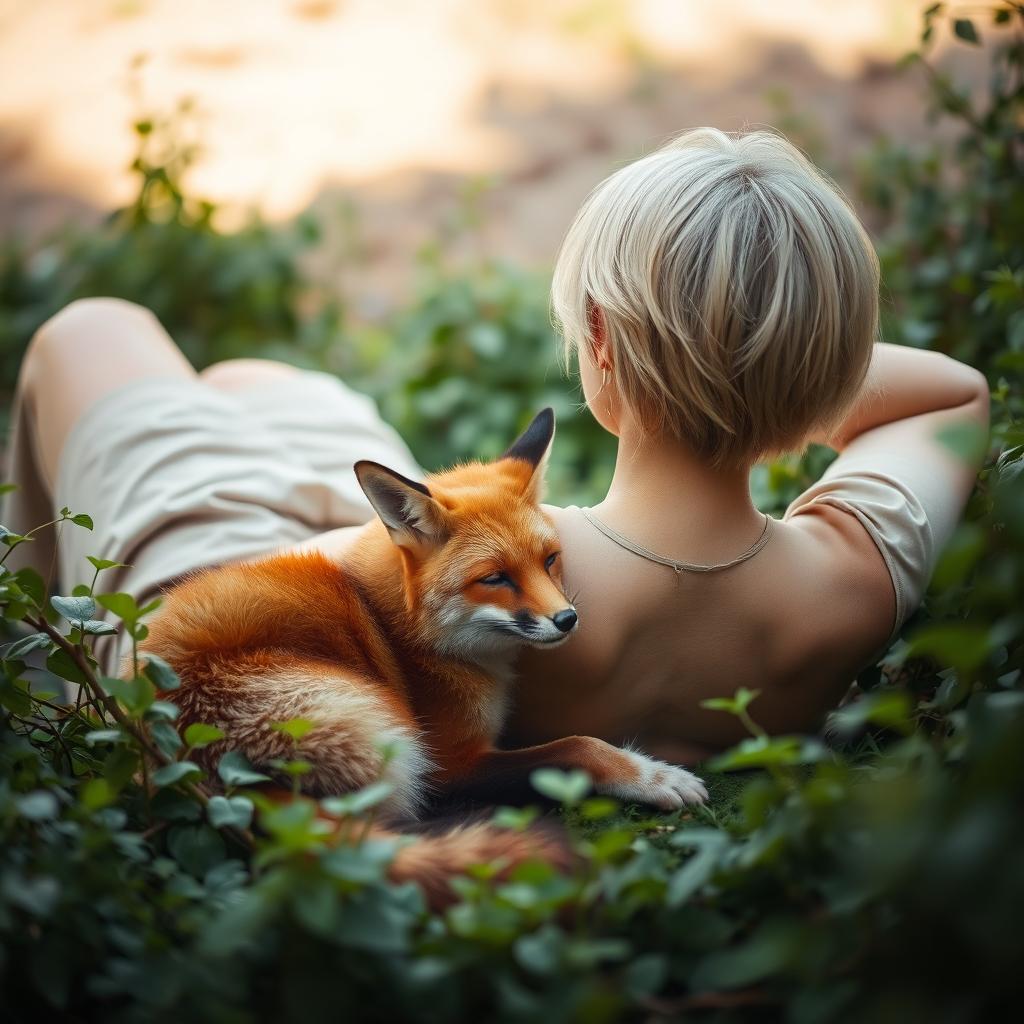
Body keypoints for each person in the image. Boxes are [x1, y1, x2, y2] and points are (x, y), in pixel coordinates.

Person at [3, 128, 988, 766]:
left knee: (89, 331)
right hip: (368, 558)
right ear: (830, 359)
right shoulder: (851, 580)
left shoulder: (504, 581)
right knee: (257, 385)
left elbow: (348, 602)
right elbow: (955, 390)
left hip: (256, 624)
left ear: (601, 342)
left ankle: (49, 705)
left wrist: (717, 359)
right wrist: (772, 372)